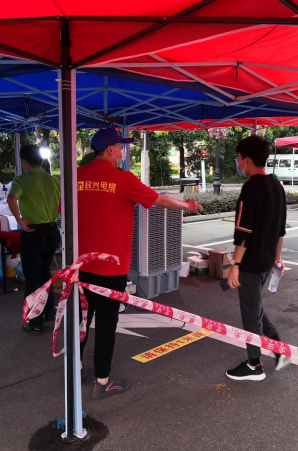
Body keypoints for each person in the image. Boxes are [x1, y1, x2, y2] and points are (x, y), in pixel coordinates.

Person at [77, 127, 202, 400]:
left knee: (81, 318)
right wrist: (188, 206)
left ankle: (77, 369)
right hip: (111, 267)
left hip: (81, 264)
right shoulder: (123, 179)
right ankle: (102, 380)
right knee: (106, 323)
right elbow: (159, 200)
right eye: (120, 147)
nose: (123, 151)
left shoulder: (75, 176)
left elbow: (63, 210)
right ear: (110, 149)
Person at [225, 135, 289, 381]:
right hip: (266, 261)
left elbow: (244, 230)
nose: (238, 162)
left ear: (248, 160)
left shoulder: (251, 188)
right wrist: (277, 258)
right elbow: (280, 229)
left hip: (250, 264)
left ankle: (254, 366)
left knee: (251, 314)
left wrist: (236, 264)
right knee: (256, 307)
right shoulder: (276, 186)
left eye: (238, 158)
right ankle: (279, 349)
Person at [8, 145, 61, 334]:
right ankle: (50, 308)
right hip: (52, 231)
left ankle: (35, 320)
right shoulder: (54, 180)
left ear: (24, 162)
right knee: (44, 271)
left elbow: (11, 198)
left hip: (33, 232)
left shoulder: (21, 180)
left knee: (32, 276)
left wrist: (20, 221)